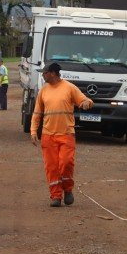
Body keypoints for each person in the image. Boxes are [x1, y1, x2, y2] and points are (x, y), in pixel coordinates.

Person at [30, 62, 94, 207]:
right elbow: (37, 113)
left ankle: (68, 189)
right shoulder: (43, 91)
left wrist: (86, 103)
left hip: (66, 134)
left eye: (45, 72)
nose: (43, 75)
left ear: (52, 73)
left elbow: (84, 100)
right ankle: (56, 196)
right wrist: (34, 131)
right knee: (51, 167)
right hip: (48, 136)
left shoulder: (69, 88)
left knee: (66, 163)